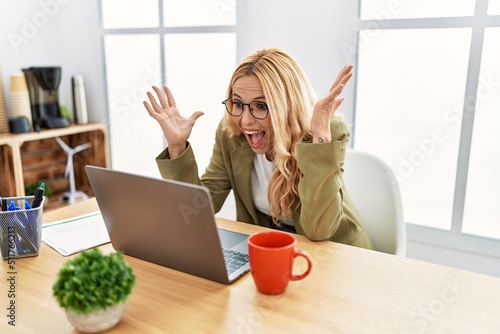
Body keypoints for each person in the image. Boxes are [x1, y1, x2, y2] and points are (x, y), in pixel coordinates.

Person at [144, 48, 372, 249]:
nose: (245, 120)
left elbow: (318, 230)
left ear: (287, 107)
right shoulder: (230, 134)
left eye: (261, 106)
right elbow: (196, 209)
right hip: (269, 247)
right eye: (238, 104)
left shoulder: (328, 132)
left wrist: (321, 136)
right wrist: (177, 146)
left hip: (334, 251)